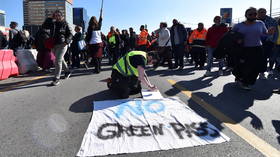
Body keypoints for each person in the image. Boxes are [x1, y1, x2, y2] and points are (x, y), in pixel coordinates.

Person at [232, 7, 275, 90]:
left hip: (257, 48)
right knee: (243, 66)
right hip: (243, 49)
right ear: (246, 15)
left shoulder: (260, 23)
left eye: (255, 14)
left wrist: (269, 33)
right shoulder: (238, 26)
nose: (253, 16)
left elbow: (264, 33)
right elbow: (232, 35)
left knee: (256, 67)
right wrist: (237, 40)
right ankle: (241, 78)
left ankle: (248, 82)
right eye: (250, 14)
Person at [50, 10, 73, 86]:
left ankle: (56, 78)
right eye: (55, 15)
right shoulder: (52, 24)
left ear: (62, 16)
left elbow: (70, 34)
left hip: (62, 44)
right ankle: (67, 71)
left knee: (57, 60)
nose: (57, 17)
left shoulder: (65, 24)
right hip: (54, 45)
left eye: (58, 15)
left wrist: (66, 42)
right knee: (60, 59)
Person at [257, 8, 278, 77]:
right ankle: (255, 71)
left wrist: (273, 41)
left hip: (267, 42)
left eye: (263, 12)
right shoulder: (254, 20)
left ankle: (262, 72)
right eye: (260, 12)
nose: (261, 13)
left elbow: (276, 33)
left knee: (264, 58)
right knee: (255, 57)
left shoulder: (272, 21)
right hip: (255, 41)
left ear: (266, 12)